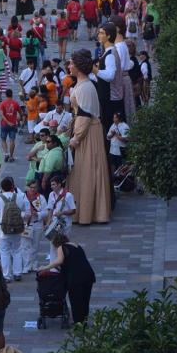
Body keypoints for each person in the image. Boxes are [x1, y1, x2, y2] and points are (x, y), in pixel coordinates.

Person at [69, 49, 112, 224]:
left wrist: (76, 137)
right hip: (88, 131)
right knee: (85, 171)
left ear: (78, 67)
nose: (69, 66)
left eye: (71, 63)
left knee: (87, 171)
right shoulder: (83, 85)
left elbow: (84, 116)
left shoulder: (85, 87)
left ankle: (89, 213)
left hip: (87, 134)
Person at [39, 234, 97, 324]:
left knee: (76, 301)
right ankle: (84, 321)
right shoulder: (77, 246)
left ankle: (78, 322)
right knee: (85, 300)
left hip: (76, 279)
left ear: (56, 243)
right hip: (88, 276)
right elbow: (73, 261)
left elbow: (59, 261)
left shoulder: (61, 247)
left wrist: (45, 267)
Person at [0, 177, 28, 282]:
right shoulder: (18, 197)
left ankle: (7, 275)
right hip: (17, 229)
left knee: (4, 252)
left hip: (2, 231)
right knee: (17, 250)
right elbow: (23, 209)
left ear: (1, 187)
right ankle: (17, 273)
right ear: (12, 187)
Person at [0, 90, 20, 162]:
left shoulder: (2, 103)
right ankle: (11, 156)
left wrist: (7, 121)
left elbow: (1, 114)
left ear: (5, 95)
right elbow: (21, 112)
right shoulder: (15, 103)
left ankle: (6, 153)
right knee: (12, 140)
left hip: (4, 124)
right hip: (13, 124)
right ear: (12, 94)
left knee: (3, 139)